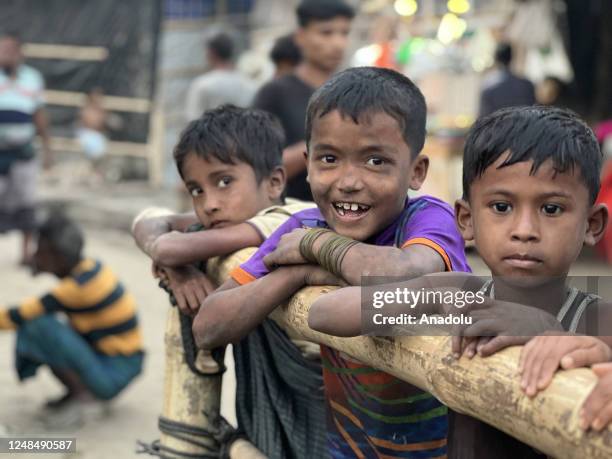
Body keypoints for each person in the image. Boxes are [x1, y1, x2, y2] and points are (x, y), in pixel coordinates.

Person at [196, 67, 471, 458]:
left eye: (375, 161)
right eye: (329, 159)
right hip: (346, 448)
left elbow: (406, 270)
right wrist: (298, 274)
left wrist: (317, 248)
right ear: (307, 165)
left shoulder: (427, 218)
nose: (348, 181)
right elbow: (208, 326)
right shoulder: (304, 225)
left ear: (416, 171)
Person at [309, 105, 611, 457]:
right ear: (465, 220)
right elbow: (325, 314)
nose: (524, 231)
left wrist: (551, 330)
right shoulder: (460, 294)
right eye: (501, 207)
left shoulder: (598, 319)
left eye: (551, 209)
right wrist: (437, 303)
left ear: (592, 225)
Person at [131, 105, 327, 458]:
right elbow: (147, 221)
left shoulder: (289, 219)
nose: (210, 204)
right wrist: (181, 271)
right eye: (196, 190)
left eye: (224, 182)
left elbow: (169, 244)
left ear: (274, 182)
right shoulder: (234, 224)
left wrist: (174, 260)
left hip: (325, 403)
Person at [0, 213, 144, 420]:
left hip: (114, 371)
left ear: (57, 256)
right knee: (55, 326)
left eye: (41, 250)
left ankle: (84, 397)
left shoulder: (75, 290)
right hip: (124, 362)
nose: (35, 255)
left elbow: (15, 317)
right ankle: (80, 392)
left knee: (37, 326)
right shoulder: (91, 268)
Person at [253, 0, 354, 202]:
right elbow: (256, 171)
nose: (338, 43)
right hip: (290, 216)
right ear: (301, 37)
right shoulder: (275, 93)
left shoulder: (354, 92)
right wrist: (321, 142)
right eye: (326, 32)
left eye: (344, 33)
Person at [0, 31, 51, 264]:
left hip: (23, 151)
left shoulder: (32, 78)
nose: (5, 54)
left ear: (20, 53)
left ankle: (25, 254)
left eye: (10, 50)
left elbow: (38, 114)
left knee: (27, 203)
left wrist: (48, 148)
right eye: (1, 50)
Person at [184, 33, 256, 122]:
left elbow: (193, 121)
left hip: (211, 135)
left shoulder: (202, 85)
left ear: (211, 53)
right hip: (243, 134)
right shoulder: (249, 84)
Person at [478, 42, 535, 117]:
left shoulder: (489, 87)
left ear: (496, 58)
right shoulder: (527, 85)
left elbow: (483, 118)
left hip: (500, 127)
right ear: (512, 57)